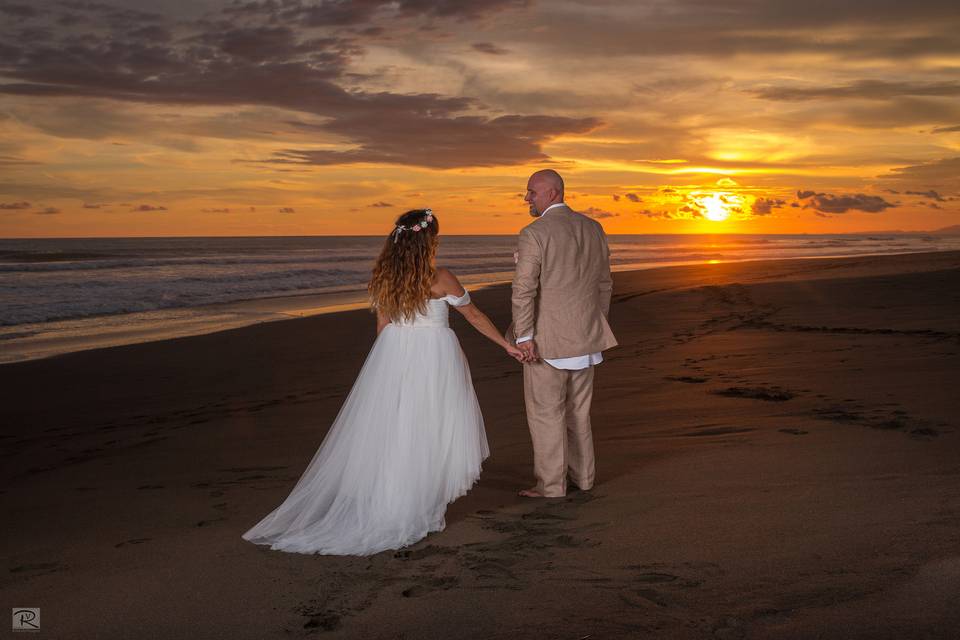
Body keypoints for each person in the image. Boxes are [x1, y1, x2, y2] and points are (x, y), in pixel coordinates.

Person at [242, 209, 523, 555]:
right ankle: (419, 506)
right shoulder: (442, 277)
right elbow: (475, 316)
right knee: (429, 428)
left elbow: (382, 328)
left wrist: (386, 370)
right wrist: (507, 345)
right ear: (428, 241)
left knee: (398, 429)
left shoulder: (386, 279)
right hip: (434, 357)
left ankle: (401, 503)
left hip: (395, 353)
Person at [510, 170, 618, 498]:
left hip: (547, 340)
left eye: (532, 192)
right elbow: (604, 284)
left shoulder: (535, 233)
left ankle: (551, 486)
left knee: (546, 413)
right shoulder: (594, 228)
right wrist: (594, 323)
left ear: (553, 193)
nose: (527, 198)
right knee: (579, 412)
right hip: (586, 337)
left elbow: (523, 289)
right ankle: (584, 478)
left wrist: (524, 336)